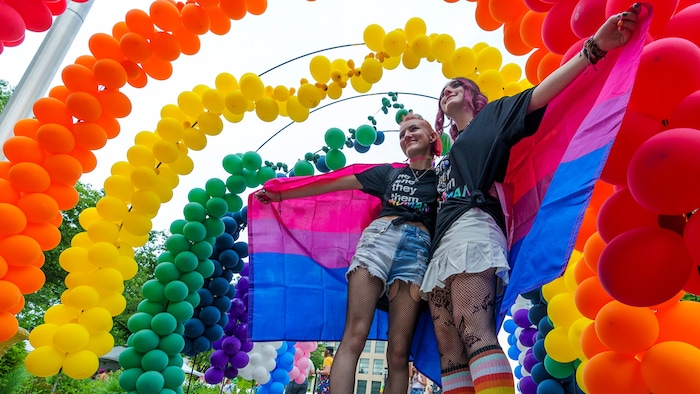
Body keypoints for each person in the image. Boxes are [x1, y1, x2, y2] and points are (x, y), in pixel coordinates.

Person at [419, 5, 642, 393]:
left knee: (474, 330)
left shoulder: (496, 116)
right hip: (441, 244)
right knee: (449, 347)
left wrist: (595, 48)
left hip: (474, 226)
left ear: (474, 97)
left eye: (456, 86)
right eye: (442, 92)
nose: (447, 92)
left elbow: (543, 93)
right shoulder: (445, 157)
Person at [255, 113, 442, 393]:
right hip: (379, 241)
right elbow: (331, 183)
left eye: (413, 129)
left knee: (400, 350)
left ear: (432, 137)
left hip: (416, 254)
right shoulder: (388, 173)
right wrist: (282, 194)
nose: (406, 137)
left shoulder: (443, 178)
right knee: (354, 334)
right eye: (402, 134)